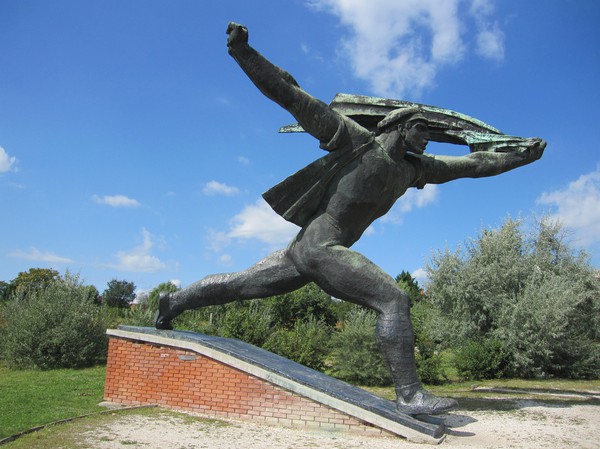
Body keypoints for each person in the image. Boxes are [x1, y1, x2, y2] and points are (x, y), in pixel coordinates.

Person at [155, 22, 546, 416]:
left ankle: (172, 301)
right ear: (398, 126)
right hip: (322, 247)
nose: (427, 138)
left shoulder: (412, 170)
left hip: (303, 253)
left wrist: (520, 156)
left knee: (237, 285)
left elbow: (472, 165)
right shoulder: (354, 139)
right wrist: (243, 52)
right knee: (394, 299)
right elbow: (289, 94)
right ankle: (410, 395)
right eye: (421, 129)